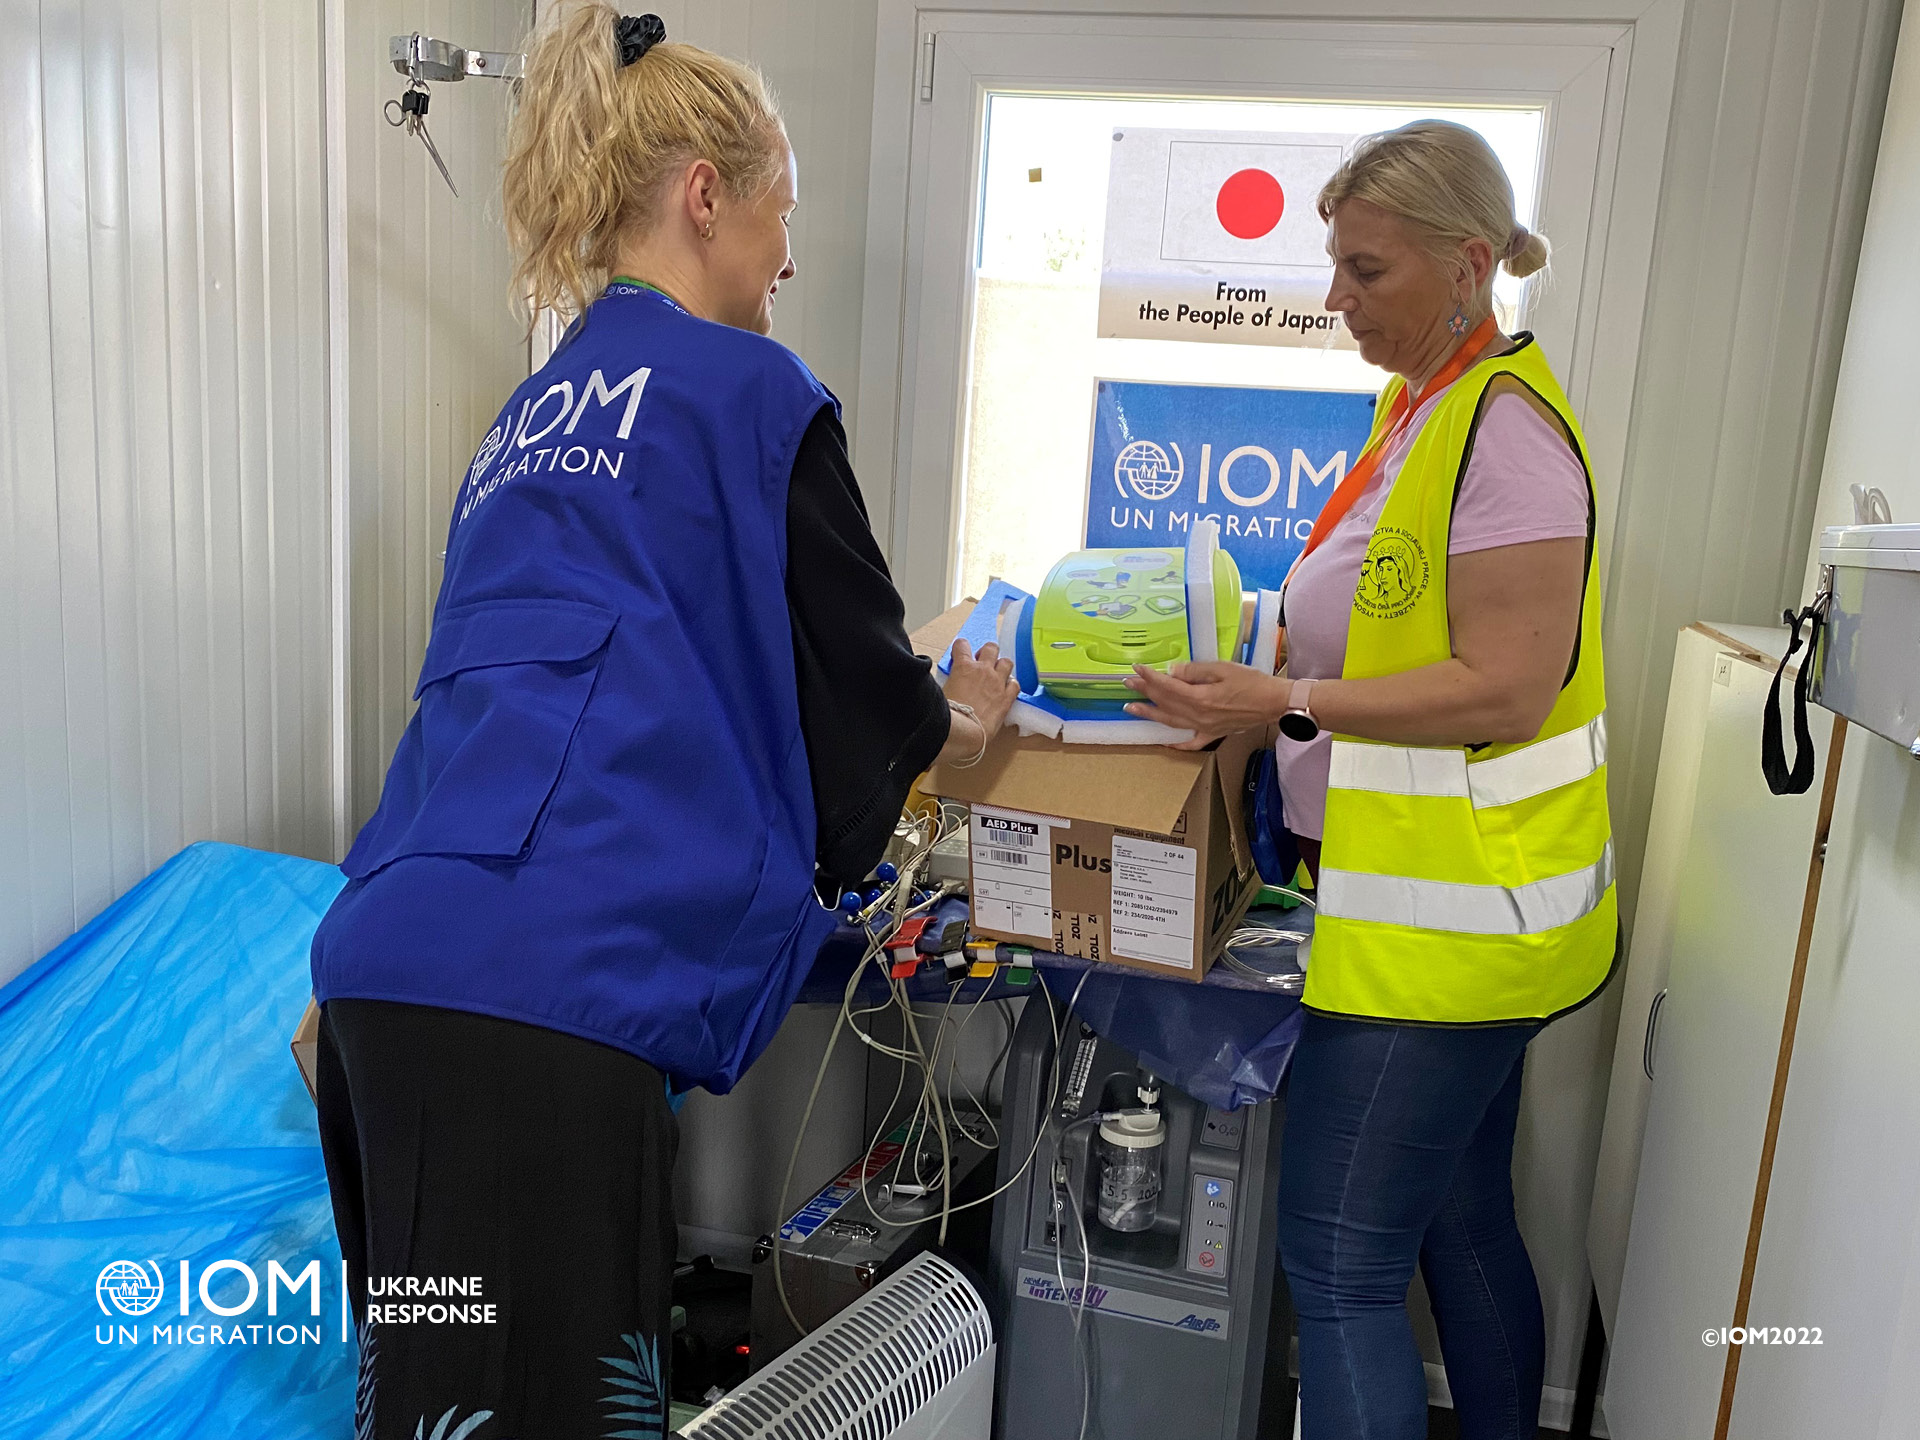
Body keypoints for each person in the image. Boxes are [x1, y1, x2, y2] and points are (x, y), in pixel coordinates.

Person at [306, 7, 1018, 1436]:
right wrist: (967, 730)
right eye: (780, 216)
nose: (790, 260)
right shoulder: (754, 394)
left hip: (379, 984)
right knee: (556, 1407)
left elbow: (523, 699)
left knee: (437, 1390)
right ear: (705, 194)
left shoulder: (522, 420)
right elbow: (869, 696)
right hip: (546, 1008)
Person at [1122, 120, 1615, 1439]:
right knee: (1458, 1225)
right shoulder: (1424, 404)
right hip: (1443, 920)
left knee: (1338, 1277)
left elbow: (1508, 682)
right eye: (1332, 264)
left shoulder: (1505, 433)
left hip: (1446, 936)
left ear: (1468, 264)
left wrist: (1282, 700)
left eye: (1364, 268)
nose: (1335, 297)